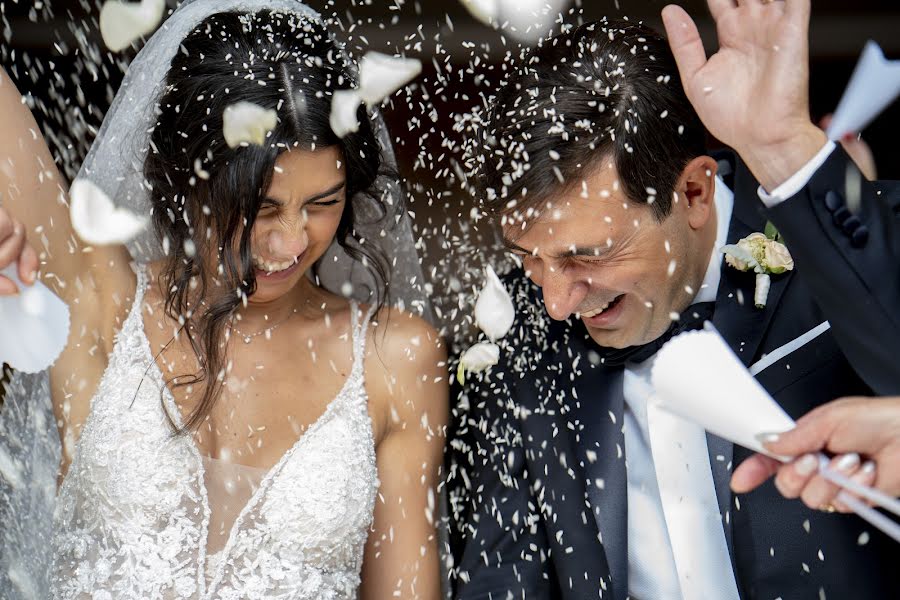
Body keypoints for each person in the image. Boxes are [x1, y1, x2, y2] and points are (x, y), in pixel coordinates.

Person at [0, 1, 447, 598]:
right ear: (185, 175)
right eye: (260, 207)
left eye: (322, 203)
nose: (290, 242)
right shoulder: (101, 297)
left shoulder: (396, 359)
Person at [451, 7, 899, 600]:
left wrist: (786, 149)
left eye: (589, 255)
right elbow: (501, 575)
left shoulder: (843, 253)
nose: (556, 302)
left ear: (693, 191)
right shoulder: (512, 326)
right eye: (531, 257)